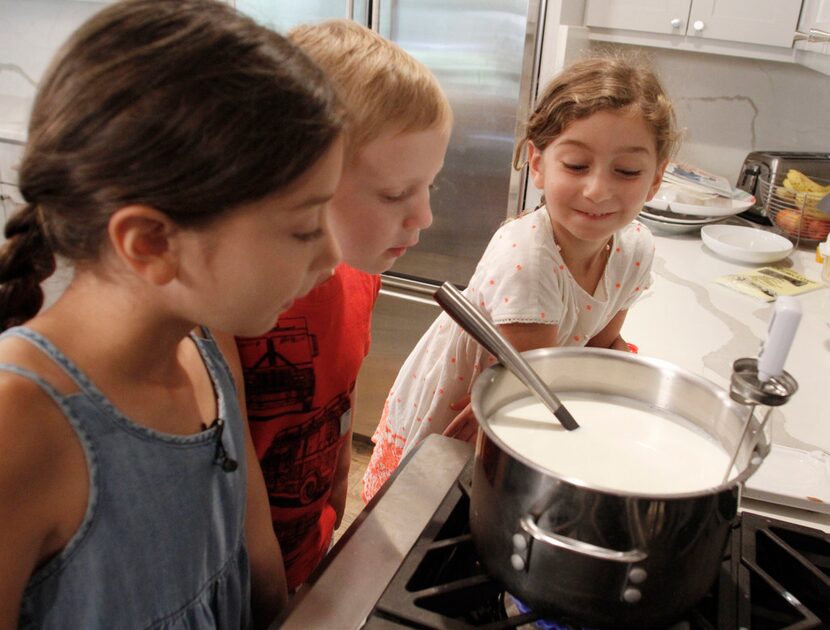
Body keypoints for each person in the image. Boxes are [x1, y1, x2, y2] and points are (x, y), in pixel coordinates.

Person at [0, 1, 344, 627]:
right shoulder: (19, 423)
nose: (334, 253)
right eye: (303, 228)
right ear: (153, 243)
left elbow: (253, 566)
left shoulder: (205, 351)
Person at [362, 53, 681, 502]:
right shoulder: (528, 259)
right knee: (427, 505)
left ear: (654, 180)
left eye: (626, 171)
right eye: (576, 165)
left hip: (534, 396)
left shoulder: (636, 249)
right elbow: (530, 393)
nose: (598, 190)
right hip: (483, 404)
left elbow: (598, 348)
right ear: (537, 163)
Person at [232, 19, 452, 592]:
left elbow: (340, 394)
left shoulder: (359, 272)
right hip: (245, 584)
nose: (424, 217)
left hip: (310, 547)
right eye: (394, 193)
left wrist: (336, 496)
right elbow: (238, 489)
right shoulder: (234, 308)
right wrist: (273, 600)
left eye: (430, 185)